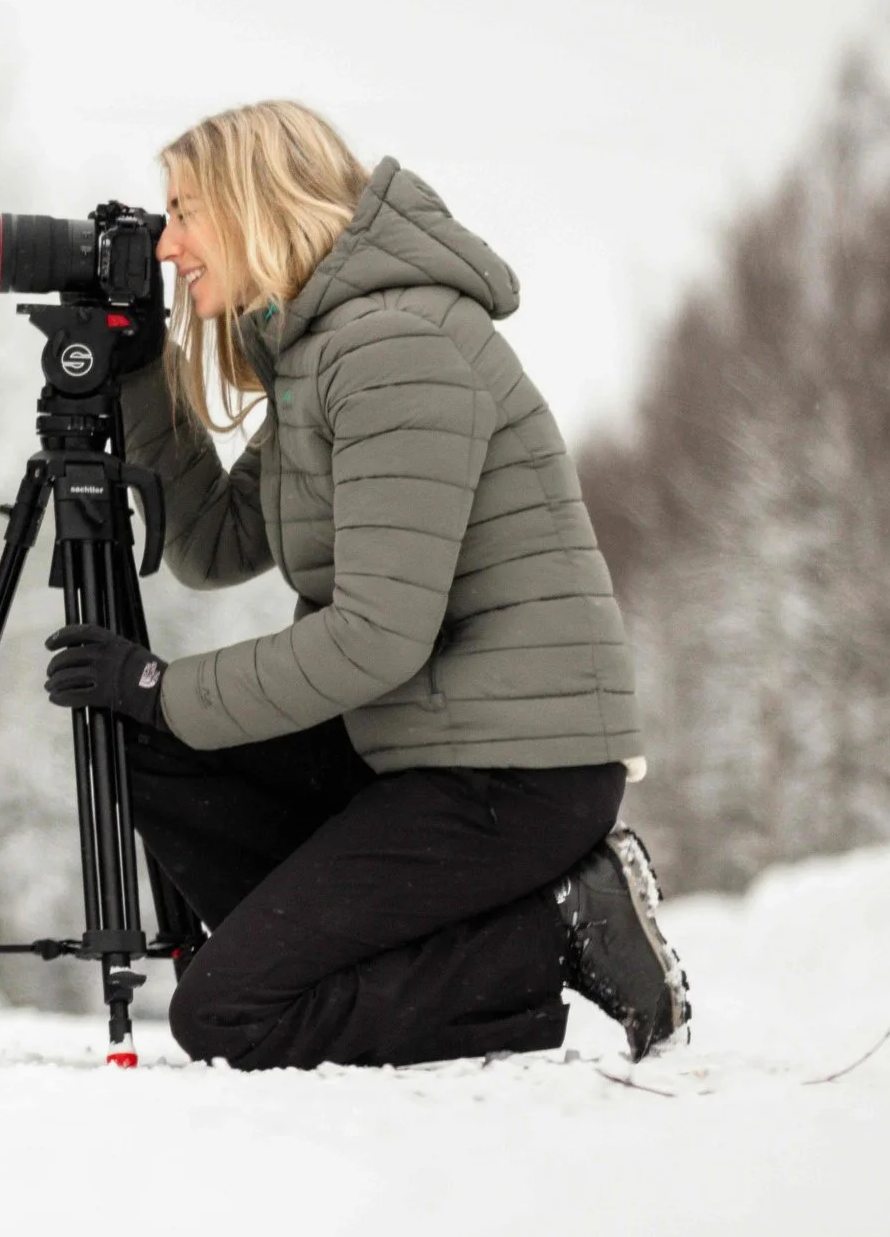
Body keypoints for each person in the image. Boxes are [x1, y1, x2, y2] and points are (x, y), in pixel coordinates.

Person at [41, 100, 690, 1070]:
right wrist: (140, 375)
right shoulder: (320, 353)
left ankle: (550, 927)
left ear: (255, 201)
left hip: (512, 770)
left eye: (184, 211)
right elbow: (215, 543)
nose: (168, 243)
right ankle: (362, 942)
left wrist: (160, 686)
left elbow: (379, 636)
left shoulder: (392, 348)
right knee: (143, 741)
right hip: (412, 737)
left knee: (228, 1014)